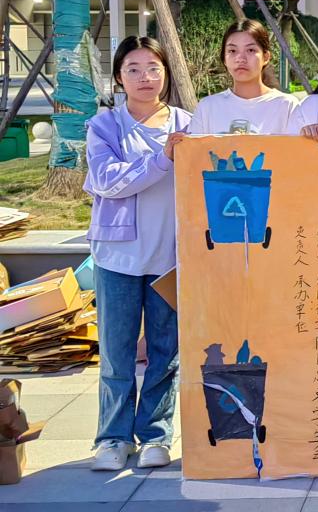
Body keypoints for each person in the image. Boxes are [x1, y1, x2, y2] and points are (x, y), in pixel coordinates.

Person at [83, 36, 190, 471]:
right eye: (133, 69)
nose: (145, 77)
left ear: (166, 73)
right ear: (119, 77)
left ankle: (155, 436)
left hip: (172, 258)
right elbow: (106, 180)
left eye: (153, 68)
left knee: (166, 353)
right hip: (118, 258)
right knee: (117, 353)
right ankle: (112, 438)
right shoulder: (104, 125)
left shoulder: (187, 125)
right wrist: (162, 160)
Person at [190, 19, 297, 135]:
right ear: (224, 58)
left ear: (266, 57)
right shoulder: (208, 107)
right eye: (232, 51)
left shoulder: (286, 106)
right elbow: (192, 146)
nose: (240, 58)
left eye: (250, 50)